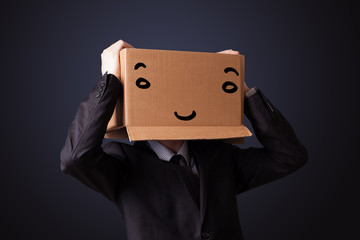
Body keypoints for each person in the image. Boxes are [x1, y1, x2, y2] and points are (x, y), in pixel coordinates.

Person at [60, 39, 308, 240]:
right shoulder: (123, 163)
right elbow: (75, 158)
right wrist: (111, 80)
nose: (177, 102)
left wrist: (242, 91)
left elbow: (289, 156)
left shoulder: (220, 156)